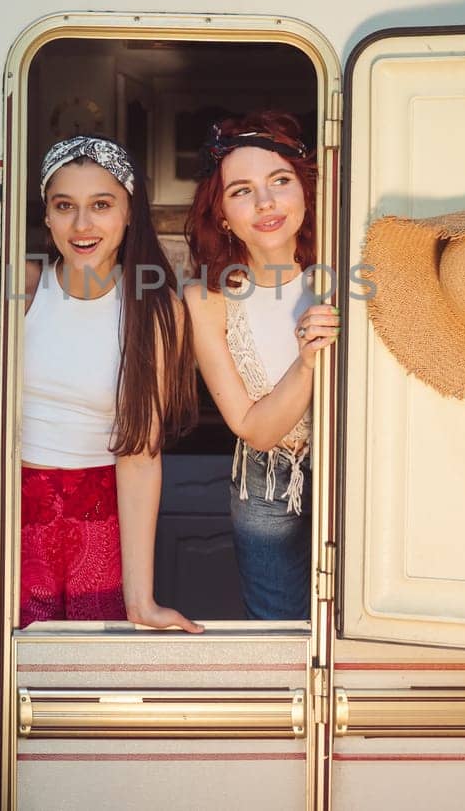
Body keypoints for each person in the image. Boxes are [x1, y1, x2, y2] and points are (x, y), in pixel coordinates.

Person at [20, 134, 203, 632]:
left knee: (81, 675)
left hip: (100, 513)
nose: (82, 225)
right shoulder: (22, 286)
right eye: (65, 206)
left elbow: (140, 455)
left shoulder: (157, 306)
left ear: (128, 212)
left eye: (101, 204)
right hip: (10, 505)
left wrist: (141, 600)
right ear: (47, 216)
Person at [184, 113, 338, 620]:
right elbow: (255, 429)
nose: (267, 203)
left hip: (353, 466)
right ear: (222, 214)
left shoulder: (345, 273)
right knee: (278, 632)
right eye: (242, 191)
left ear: (305, 192)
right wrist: (309, 361)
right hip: (264, 481)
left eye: (280, 182)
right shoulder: (205, 297)